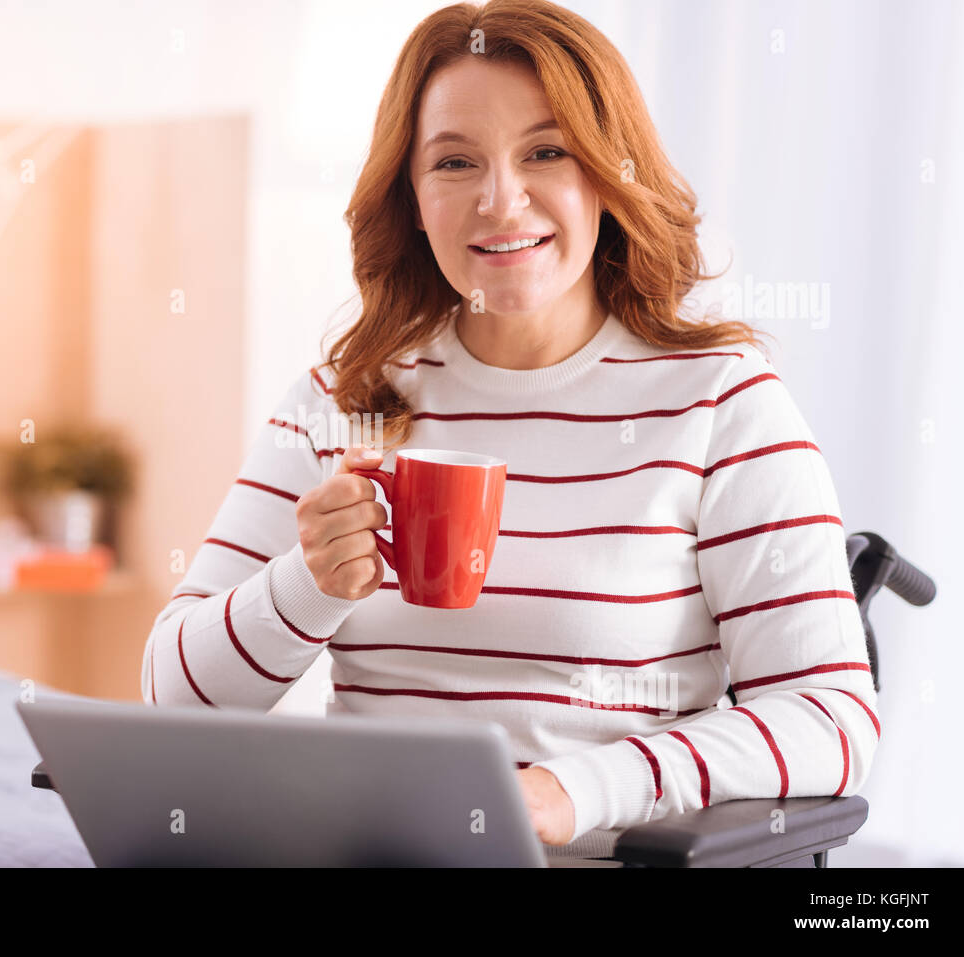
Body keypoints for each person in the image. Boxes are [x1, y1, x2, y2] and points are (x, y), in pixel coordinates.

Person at [141, 0, 878, 861]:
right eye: (454, 161)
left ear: (608, 174)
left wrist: (577, 790)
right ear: (412, 201)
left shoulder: (722, 404)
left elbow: (832, 720)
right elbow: (171, 698)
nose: (500, 200)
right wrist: (305, 587)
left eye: (547, 151)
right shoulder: (341, 401)